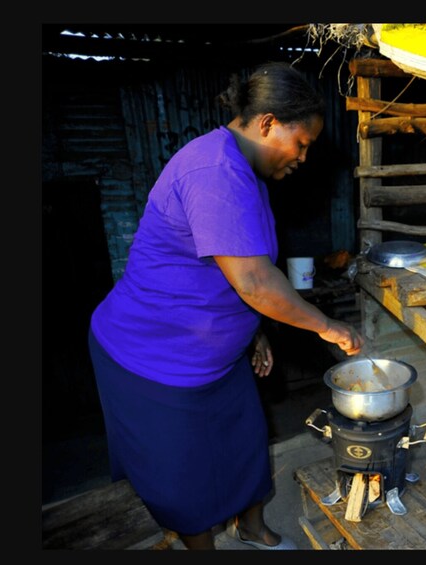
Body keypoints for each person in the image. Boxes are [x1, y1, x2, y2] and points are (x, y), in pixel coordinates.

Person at [87, 61, 362, 550]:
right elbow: (254, 281)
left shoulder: (244, 168)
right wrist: (326, 325)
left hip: (214, 354)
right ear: (268, 123)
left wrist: (251, 330)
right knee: (184, 476)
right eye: (301, 144)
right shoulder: (215, 169)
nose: (301, 157)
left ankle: (252, 528)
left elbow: (231, 264)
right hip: (154, 356)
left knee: (244, 446)